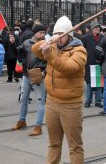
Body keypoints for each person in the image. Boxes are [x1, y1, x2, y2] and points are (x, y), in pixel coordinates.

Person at [32, 16, 86, 164]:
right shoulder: (54, 46)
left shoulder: (80, 51)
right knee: (53, 143)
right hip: (51, 103)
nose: (59, 38)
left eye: (62, 35)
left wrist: (49, 54)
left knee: (74, 146)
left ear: (69, 35)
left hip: (71, 105)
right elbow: (34, 48)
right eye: (57, 35)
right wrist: (49, 41)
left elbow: (68, 68)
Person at [12, 24, 47, 136]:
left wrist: (43, 71)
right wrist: (23, 62)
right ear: (35, 33)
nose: (42, 35)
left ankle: (38, 126)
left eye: (43, 32)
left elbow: (50, 60)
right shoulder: (27, 43)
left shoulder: (46, 44)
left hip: (38, 75)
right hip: (27, 75)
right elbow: (19, 53)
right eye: (40, 32)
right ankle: (22, 120)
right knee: (24, 99)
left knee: (40, 101)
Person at [81, 23, 103, 108]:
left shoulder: (102, 37)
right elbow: (82, 49)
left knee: (98, 83)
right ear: (92, 28)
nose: (98, 29)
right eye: (96, 27)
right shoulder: (85, 37)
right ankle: (88, 101)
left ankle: (98, 101)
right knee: (89, 83)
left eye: (99, 27)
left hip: (99, 62)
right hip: (89, 62)